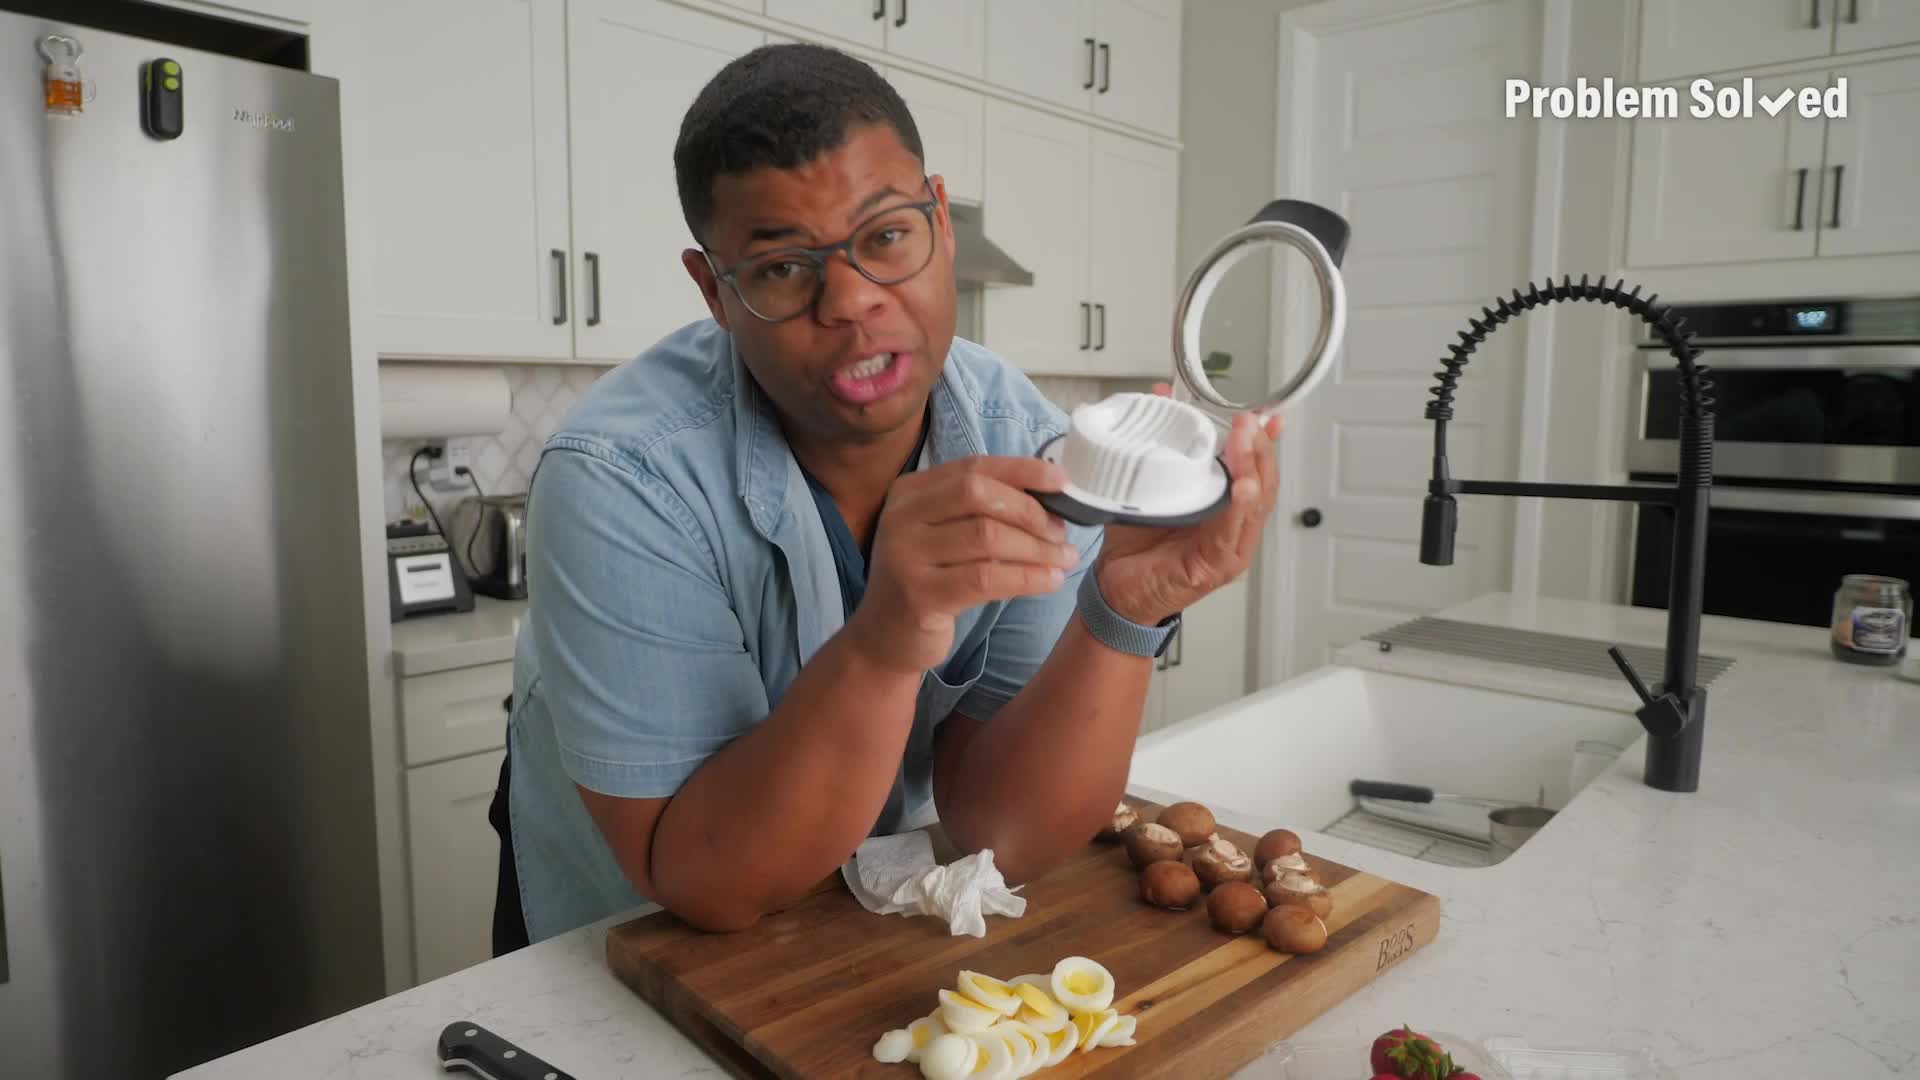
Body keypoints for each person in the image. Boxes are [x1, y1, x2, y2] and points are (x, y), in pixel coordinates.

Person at [490, 41, 1281, 947]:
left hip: (837, 927)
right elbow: (701, 880)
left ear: (939, 222)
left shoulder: (1022, 440)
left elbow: (1003, 834)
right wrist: (884, 643)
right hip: (623, 934)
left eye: (887, 237)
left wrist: (1124, 613)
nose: (852, 302)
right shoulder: (622, 475)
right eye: (784, 266)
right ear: (716, 290)